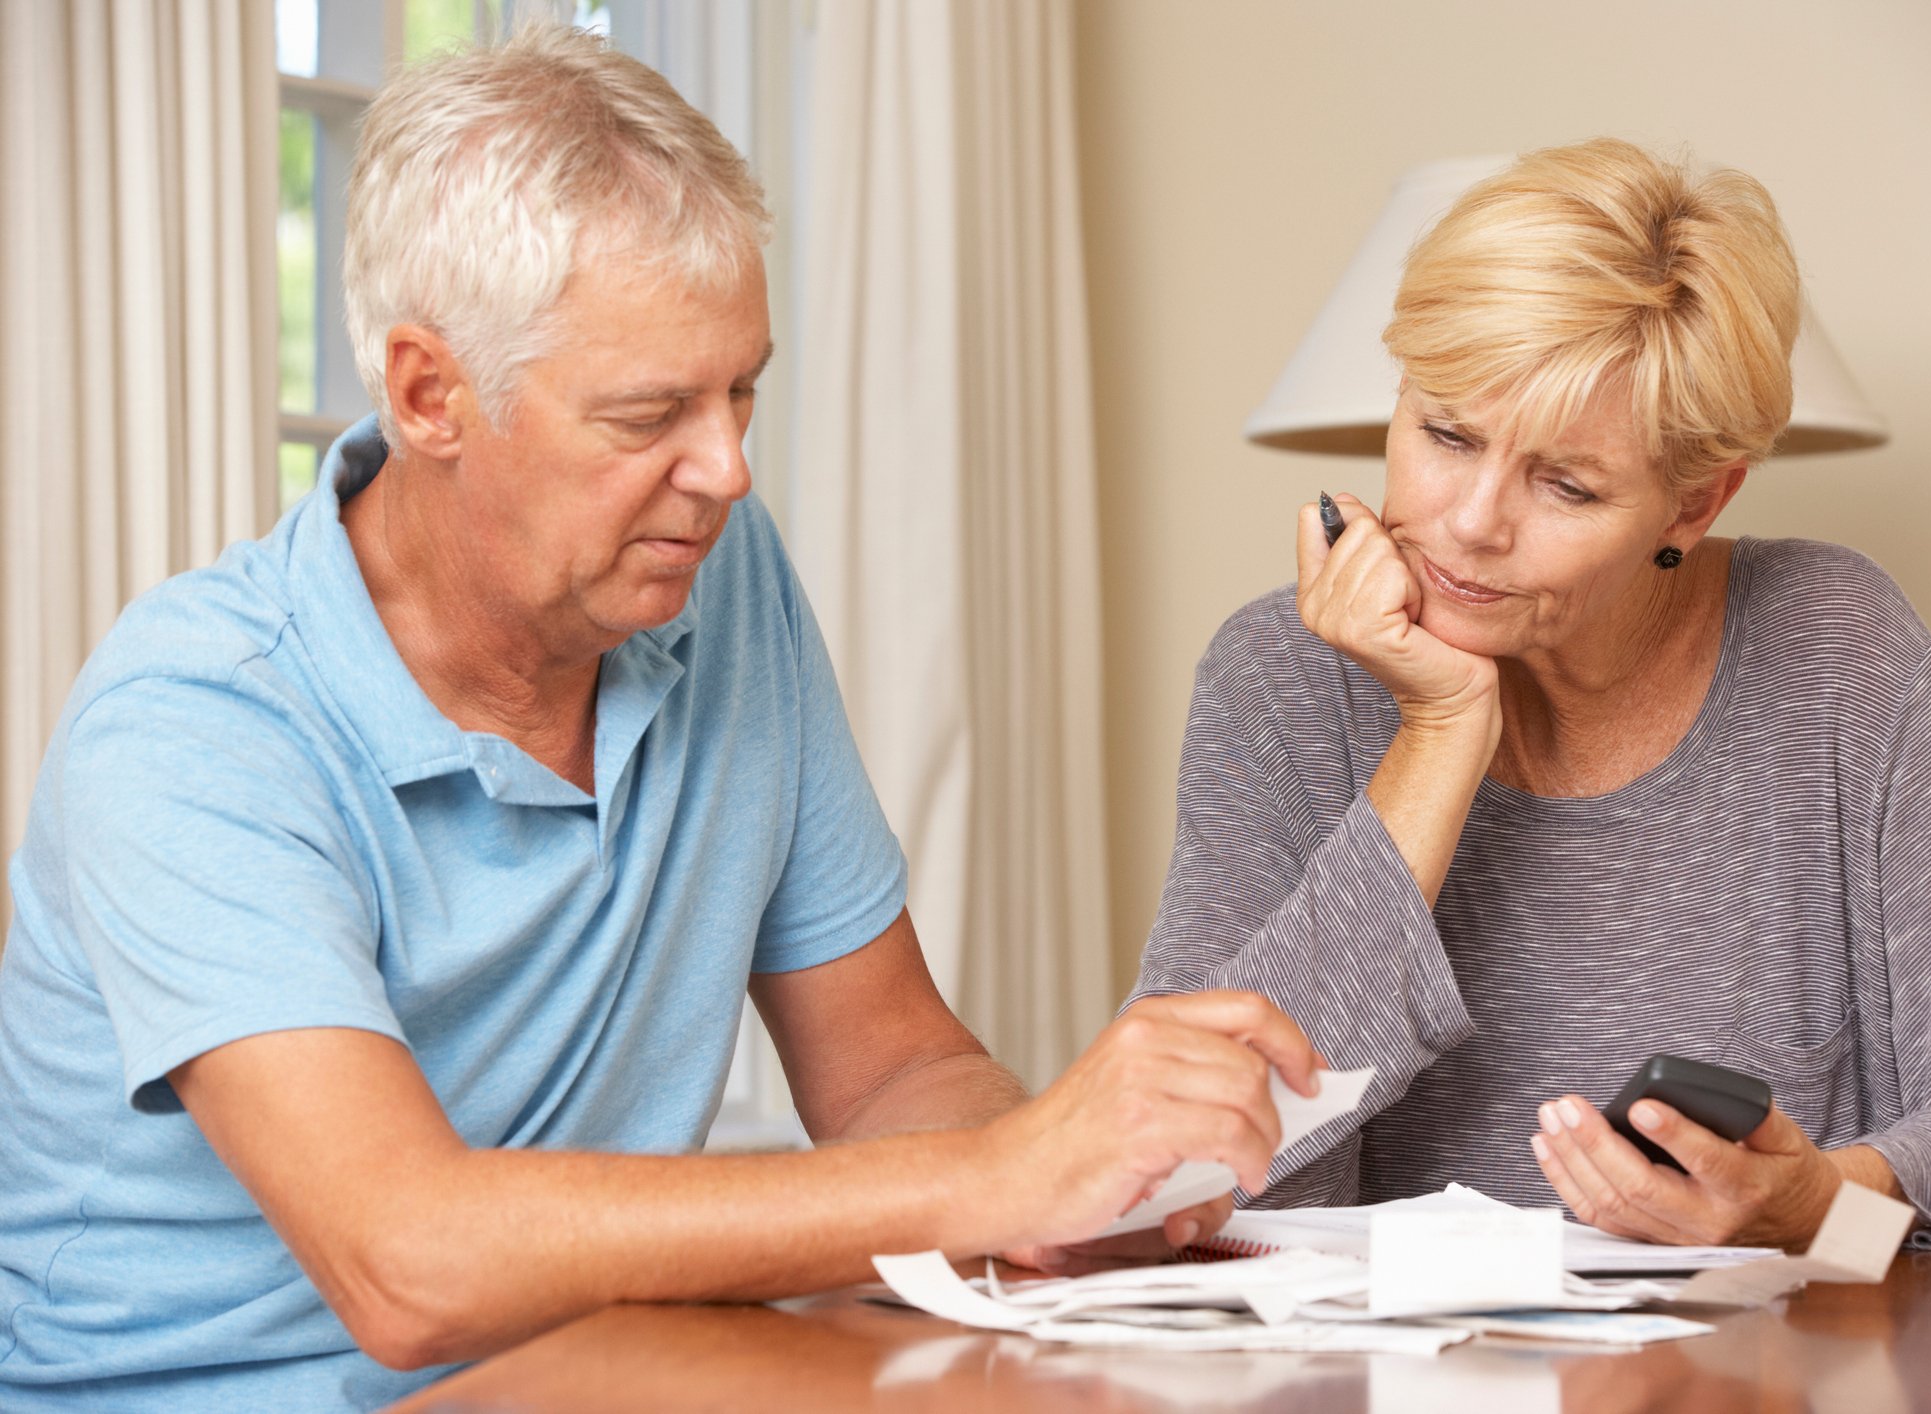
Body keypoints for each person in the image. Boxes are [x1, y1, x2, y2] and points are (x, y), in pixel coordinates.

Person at [0, 28, 1318, 1410]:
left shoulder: (714, 580)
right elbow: (407, 1264)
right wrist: (993, 1172)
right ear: (428, 393)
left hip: (587, 1374)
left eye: (741, 387)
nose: (729, 469)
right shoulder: (197, 722)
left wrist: (1070, 1186)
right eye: (650, 414)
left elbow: (890, 1070)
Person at [1130, 138, 1931, 1253]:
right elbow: (1178, 1167)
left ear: (1692, 506)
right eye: (1445, 433)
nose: (1470, 523)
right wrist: (1442, 731)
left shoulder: (1835, 646)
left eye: (1567, 484)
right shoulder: (1283, 674)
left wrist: (1821, 1203)